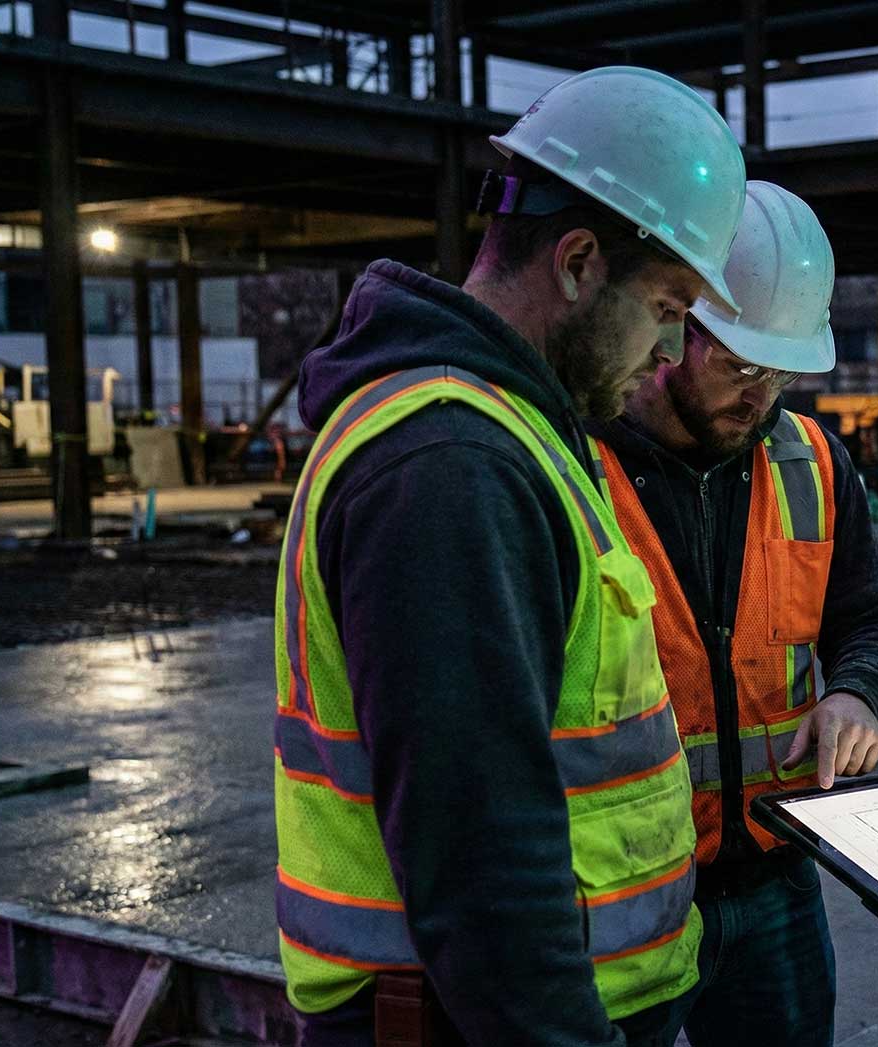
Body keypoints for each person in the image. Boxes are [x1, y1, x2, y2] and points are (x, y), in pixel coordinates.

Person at [270, 66, 747, 1047]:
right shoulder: (453, 465)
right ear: (578, 261)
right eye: (665, 306)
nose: (668, 353)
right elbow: (484, 866)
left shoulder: (512, 436)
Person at [586, 180, 878, 1047]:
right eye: (739, 365)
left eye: (781, 370)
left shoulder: (812, 462)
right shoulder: (579, 468)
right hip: (626, 896)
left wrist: (858, 693)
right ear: (674, 328)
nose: (761, 394)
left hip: (776, 881)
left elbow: (873, 616)